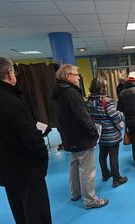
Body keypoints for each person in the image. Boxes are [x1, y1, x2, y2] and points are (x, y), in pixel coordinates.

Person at [0, 56, 66, 224]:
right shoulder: (12, 102)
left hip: (3, 166)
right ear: (9, 73)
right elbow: (31, 138)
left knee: (17, 205)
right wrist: (41, 157)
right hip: (26, 166)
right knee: (36, 206)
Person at [51, 64, 108, 209]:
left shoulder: (56, 92)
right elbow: (83, 117)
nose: (78, 77)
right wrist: (94, 133)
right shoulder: (71, 93)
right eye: (76, 75)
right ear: (68, 76)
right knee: (87, 169)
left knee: (74, 165)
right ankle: (90, 200)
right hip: (81, 137)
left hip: (69, 137)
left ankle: (75, 193)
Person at [86, 78, 128, 188]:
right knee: (113, 156)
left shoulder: (89, 101)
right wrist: (121, 114)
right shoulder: (106, 100)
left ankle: (105, 174)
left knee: (102, 155)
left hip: (99, 133)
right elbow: (114, 116)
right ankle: (116, 179)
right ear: (102, 88)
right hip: (111, 133)